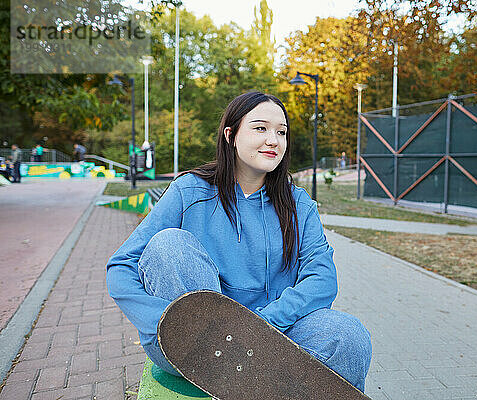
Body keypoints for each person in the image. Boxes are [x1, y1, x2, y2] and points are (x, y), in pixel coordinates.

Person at [106, 92, 372, 392]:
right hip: (193, 346)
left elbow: (322, 280)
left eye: (281, 132)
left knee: (349, 336)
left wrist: (259, 326)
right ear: (230, 135)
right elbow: (121, 265)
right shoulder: (189, 191)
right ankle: (229, 374)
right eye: (261, 128)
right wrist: (164, 323)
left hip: (271, 336)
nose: (273, 140)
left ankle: (252, 383)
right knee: (169, 244)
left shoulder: (299, 206)